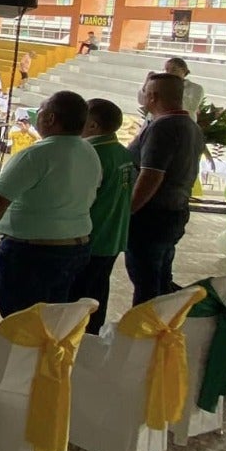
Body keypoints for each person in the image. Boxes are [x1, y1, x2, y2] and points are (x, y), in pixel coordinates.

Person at [0, 91, 99, 317]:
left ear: (50, 118)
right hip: (75, 246)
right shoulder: (89, 150)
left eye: (40, 112)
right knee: (53, 318)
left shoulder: (36, 154)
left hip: (35, 253)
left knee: (21, 320)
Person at [125, 73, 204, 305]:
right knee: (160, 276)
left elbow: (151, 175)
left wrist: (129, 209)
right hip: (174, 211)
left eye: (145, 92)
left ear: (153, 96)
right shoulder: (191, 125)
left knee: (146, 281)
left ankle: (145, 323)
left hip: (152, 216)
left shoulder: (163, 127)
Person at [68, 98, 136, 334]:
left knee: (78, 300)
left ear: (93, 126)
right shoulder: (123, 153)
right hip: (113, 235)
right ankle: (92, 342)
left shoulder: (90, 155)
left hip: (91, 236)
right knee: (97, 293)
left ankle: (77, 344)